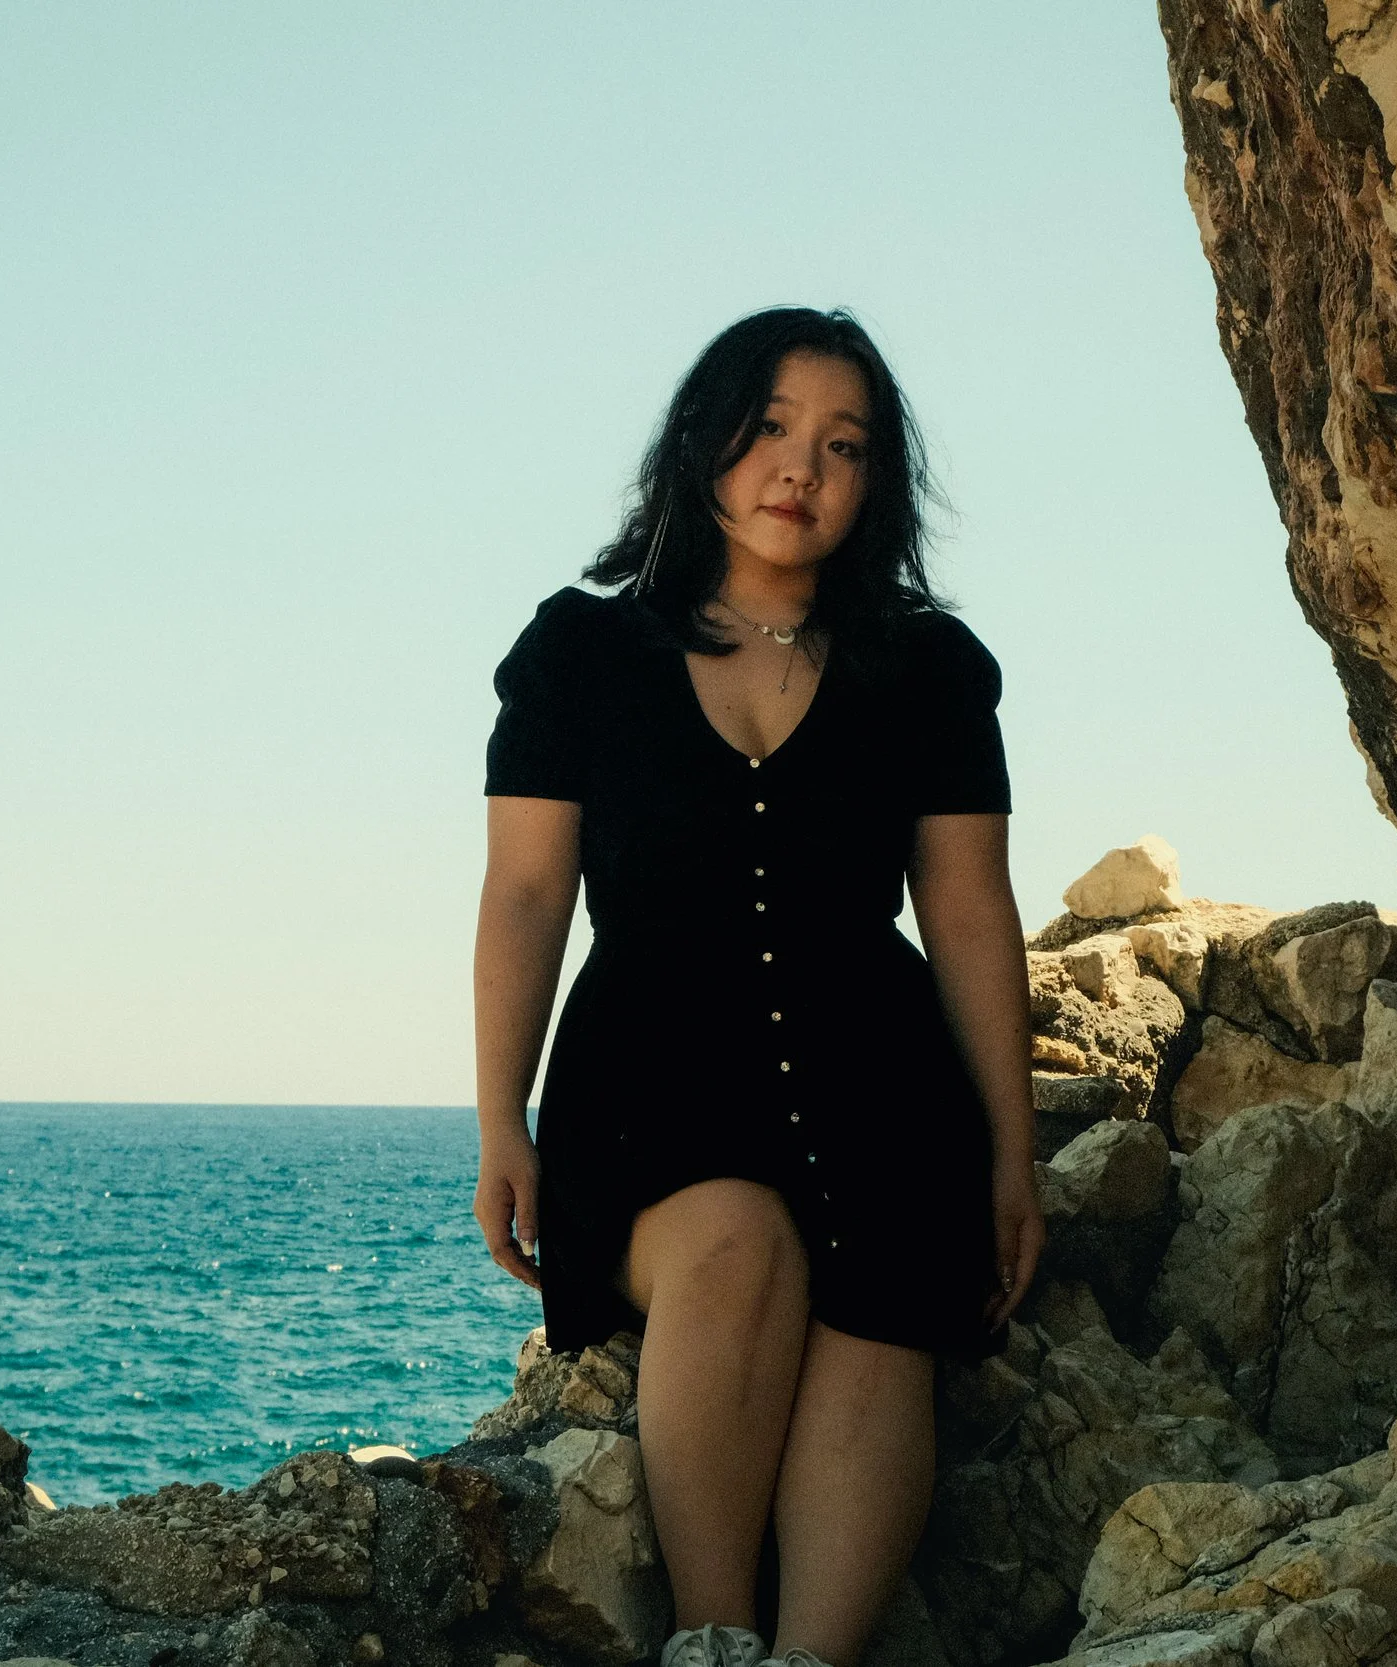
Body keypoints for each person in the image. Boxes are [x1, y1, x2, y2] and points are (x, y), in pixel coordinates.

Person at [472, 307, 1042, 1667]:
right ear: (704, 445)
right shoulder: (579, 653)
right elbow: (527, 892)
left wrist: (1014, 1152)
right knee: (738, 1245)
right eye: (773, 427)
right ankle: (714, 1641)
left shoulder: (933, 671)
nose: (804, 467)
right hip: (650, 1096)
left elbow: (967, 910)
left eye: (844, 445)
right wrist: (502, 1116)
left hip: (880, 1084)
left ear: (876, 486)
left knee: (885, 1300)